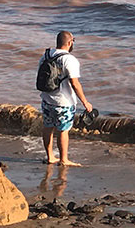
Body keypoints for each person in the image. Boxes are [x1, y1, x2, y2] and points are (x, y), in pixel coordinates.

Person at [38, 31, 93, 166]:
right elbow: (75, 83)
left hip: (46, 99)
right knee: (63, 130)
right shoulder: (69, 59)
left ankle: (50, 156)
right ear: (69, 43)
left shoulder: (45, 55)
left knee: (48, 127)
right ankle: (64, 160)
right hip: (64, 102)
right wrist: (85, 102)